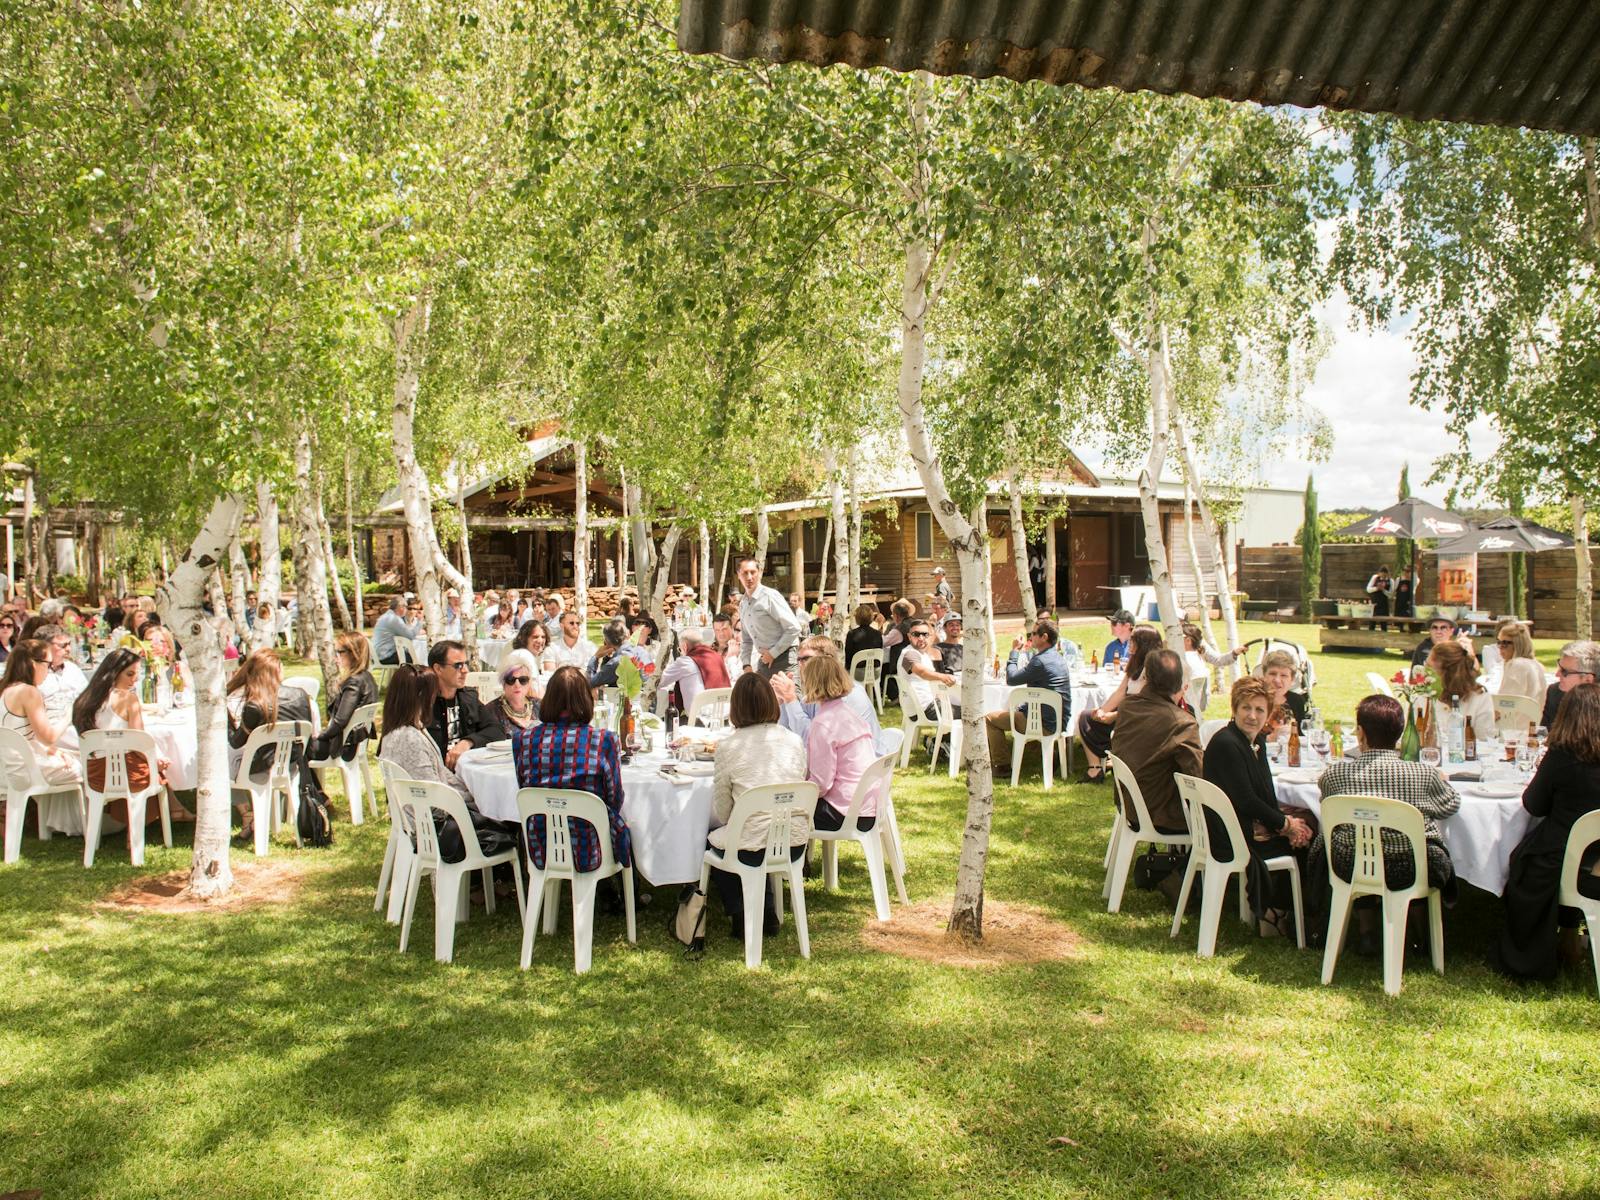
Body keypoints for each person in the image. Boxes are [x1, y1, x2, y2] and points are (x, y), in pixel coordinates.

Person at [1308, 694, 1460, 949]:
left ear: (1360, 732)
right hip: (1410, 868)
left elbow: (1328, 804)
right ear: (1399, 734)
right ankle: (1421, 934)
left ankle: (1366, 930)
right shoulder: (1422, 774)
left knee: (1356, 842)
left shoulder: (1333, 774)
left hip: (1349, 865)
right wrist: (1441, 782)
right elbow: (1450, 806)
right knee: (1424, 847)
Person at [1496, 682, 1600, 980]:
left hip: (1564, 863)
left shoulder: (1562, 757)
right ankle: (1569, 938)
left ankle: (1528, 956)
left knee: (1522, 862)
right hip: (1595, 861)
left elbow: (1533, 805)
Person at [1203, 676, 1314, 936]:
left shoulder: (1255, 741)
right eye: (1246, 708)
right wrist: (1286, 826)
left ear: (1268, 713)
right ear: (1235, 708)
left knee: (1305, 828)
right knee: (1310, 843)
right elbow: (1247, 800)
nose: (1252, 716)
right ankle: (1283, 914)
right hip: (1233, 836)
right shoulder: (1227, 744)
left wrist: (1290, 823)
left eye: (1259, 710)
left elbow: (1265, 792)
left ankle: (1282, 910)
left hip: (1242, 824)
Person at [378, 665, 517, 863]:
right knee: (512, 819)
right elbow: (436, 796)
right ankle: (495, 884)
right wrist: (476, 801)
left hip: (421, 823)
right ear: (421, 697)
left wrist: (472, 795)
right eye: (433, 692)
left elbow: (441, 777)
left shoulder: (400, 732)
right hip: (435, 831)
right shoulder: (409, 739)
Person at [707, 673, 809, 936]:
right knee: (750, 831)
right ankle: (766, 910)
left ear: (736, 707)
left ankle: (741, 912)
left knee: (715, 838)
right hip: (794, 841)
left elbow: (723, 812)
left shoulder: (729, 746)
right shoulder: (794, 740)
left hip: (753, 844)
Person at [511, 664, 631, 884]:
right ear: (586, 700)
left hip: (541, 844)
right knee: (625, 823)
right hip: (591, 847)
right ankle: (620, 893)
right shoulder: (603, 740)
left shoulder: (523, 739)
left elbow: (525, 789)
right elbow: (614, 798)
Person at [1110, 649, 1202, 903]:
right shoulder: (1181, 723)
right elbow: (1198, 778)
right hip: (1157, 812)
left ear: (1147, 677)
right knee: (1222, 814)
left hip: (1128, 802)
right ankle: (1185, 878)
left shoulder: (1129, 705)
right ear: (1180, 684)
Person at [70, 647, 174, 823]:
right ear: (115, 673)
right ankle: (143, 825)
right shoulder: (128, 698)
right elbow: (139, 742)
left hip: (95, 774)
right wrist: (155, 761)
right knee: (157, 771)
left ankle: (136, 823)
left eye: (136, 673)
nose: (135, 679)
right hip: (125, 774)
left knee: (144, 765)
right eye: (130, 674)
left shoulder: (84, 699)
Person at [225, 650, 315, 838]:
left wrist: (227, 722)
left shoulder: (255, 705)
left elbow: (235, 742)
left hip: (262, 769)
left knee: (221, 763)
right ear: (277, 671)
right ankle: (255, 818)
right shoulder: (300, 695)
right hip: (292, 765)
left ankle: (247, 813)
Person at [801, 652, 881, 835]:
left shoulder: (823, 724)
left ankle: (792, 861)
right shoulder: (849, 714)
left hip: (846, 811)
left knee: (785, 810)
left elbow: (820, 784)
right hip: (868, 805)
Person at [1077, 627, 1164, 782]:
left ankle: (1113, 762)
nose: (1130, 645)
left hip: (1138, 716)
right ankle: (1095, 769)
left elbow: (1144, 704)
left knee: (1114, 726)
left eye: (1133, 641)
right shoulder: (1135, 665)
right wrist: (1102, 711)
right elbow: (1121, 692)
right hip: (1125, 709)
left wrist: (1115, 716)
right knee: (1085, 717)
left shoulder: (1153, 669)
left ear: (1143, 644)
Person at [985, 619, 1073, 771]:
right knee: (1021, 712)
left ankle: (1002, 765)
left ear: (1044, 637)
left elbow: (1011, 679)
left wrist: (1015, 652)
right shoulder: (1058, 658)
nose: (1030, 638)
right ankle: (1050, 755)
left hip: (1043, 723)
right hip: (1059, 721)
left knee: (990, 719)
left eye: (1033, 634)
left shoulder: (1040, 661)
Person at [772, 635, 885, 751]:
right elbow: (789, 734)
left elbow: (812, 741)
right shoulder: (815, 695)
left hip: (862, 764)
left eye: (806, 659)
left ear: (827, 660)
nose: (801, 665)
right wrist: (782, 700)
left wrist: (791, 699)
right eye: (798, 660)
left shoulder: (845, 695)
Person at [0, 639, 81, 787]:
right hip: (26, 771)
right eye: (48, 664)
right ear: (33, 664)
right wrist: (70, 714)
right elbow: (49, 737)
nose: (49, 670)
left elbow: (26, 737)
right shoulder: (28, 691)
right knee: (86, 766)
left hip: (7, 770)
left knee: (67, 758)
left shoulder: (5, 689)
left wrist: (54, 752)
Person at [425, 640, 501, 769]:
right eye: (458, 665)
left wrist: (467, 742)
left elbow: (496, 730)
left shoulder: (468, 697)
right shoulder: (423, 703)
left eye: (465, 664)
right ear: (438, 669)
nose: (465, 670)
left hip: (467, 771)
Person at [309, 631, 379, 763]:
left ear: (353, 654)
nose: (336, 657)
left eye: (340, 652)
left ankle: (307, 784)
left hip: (343, 746)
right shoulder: (368, 678)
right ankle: (313, 784)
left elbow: (340, 721)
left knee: (300, 748)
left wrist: (320, 735)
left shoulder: (354, 682)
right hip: (354, 743)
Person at [735, 554, 804, 679]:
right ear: (739, 575)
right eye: (745, 573)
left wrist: (773, 653)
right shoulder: (743, 604)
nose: (749, 577)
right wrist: (746, 664)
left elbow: (794, 628)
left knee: (790, 697)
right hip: (765, 660)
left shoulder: (770, 596)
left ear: (759, 573)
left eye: (753, 572)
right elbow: (746, 639)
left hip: (785, 658)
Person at [1426, 640, 1495, 738]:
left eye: (1429, 667)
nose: (1424, 671)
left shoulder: (1480, 698)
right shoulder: (1422, 695)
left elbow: (1485, 741)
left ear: (1446, 673)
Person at [657, 627, 730, 717]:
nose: (681, 652)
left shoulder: (685, 662)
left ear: (684, 646)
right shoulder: (717, 657)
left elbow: (659, 682)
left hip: (700, 720)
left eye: (680, 650)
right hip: (725, 714)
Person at [897, 619, 956, 720]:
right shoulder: (908, 654)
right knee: (968, 711)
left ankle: (943, 736)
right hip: (923, 709)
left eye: (925, 634)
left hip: (926, 705)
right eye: (916, 634)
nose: (921, 638)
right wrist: (943, 677)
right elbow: (921, 672)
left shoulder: (921, 653)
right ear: (909, 636)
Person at [35, 623, 89, 727]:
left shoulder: (73, 669)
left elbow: (87, 698)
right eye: (62, 645)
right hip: (48, 726)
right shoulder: (35, 673)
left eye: (69, 644)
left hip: (77, 723)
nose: (68, 649)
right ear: (44, 647)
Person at [1542, 641, 1600, 729]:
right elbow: (1544, 733)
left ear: (1588, 679)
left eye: (1564, 671)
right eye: (1559, 667)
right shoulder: (1554, 693)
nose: (1557, 674)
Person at [488, 649, 541, 736]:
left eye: (523, 680)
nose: (517, 684)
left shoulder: (540, 706)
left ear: (529, 683)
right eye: (511, 680)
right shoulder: (491, 711)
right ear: (503, 683)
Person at [1259, 649, 1309, 737]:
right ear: (1264, 675)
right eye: (1272, 674)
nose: (1277, 680)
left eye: (1284, 675)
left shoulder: (1297, 700)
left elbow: (1301, 735)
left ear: (1292, 679)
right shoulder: (1253, 699)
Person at [1493, 620, 1545, 701]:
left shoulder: (1517, 665)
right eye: (1499, 642)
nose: (1500, 647)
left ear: (1518, 644)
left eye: (1505, 643)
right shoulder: (1537, 665)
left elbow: (1506, 701)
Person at [372, 596, 420, 666]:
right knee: (413, 657)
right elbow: (410, 636)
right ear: (401, 607)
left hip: (378, 654)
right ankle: (411, 676)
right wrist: (420, 622)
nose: (406, 610)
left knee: (407, 654)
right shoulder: (394, 619)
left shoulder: (386, 616)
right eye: (406, 607)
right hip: (385, 656)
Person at [586, 619, 629, 692]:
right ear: (627, 635)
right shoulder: (640, 652)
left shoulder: (616, 662)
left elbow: (590, 682)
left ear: (607, 641)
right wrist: (607, 657)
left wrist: (596, 657)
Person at [843, 603, 884, 672]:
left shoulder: (852, 634)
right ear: (871, 617)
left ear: (857, 618)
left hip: (856, 672)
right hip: (874, 672)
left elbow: (848, 657)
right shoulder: (877, 634)